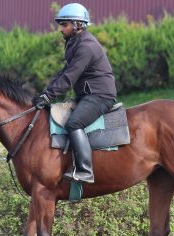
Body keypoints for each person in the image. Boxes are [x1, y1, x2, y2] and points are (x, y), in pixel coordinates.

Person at [33, 3, 117, 184]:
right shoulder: (75, 43)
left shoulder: (86, 46)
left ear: (79, 25)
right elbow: (63, 73)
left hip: (100, 96)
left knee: (74, 123)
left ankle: (85, 170)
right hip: (87, 95)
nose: (61, 29)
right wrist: (45, 93)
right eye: (61, 25)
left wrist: (48, 96)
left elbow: (70, 77)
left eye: (65, 25)